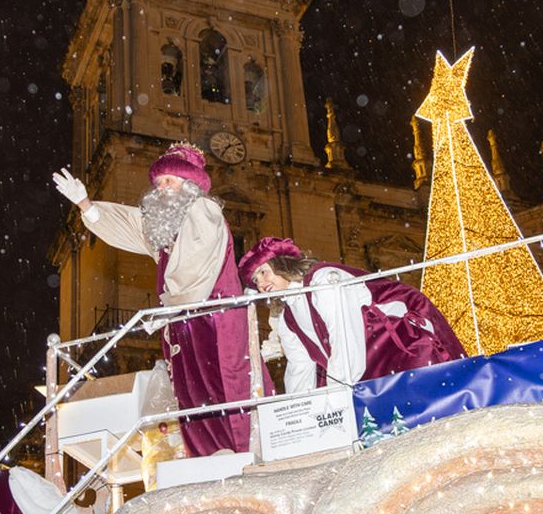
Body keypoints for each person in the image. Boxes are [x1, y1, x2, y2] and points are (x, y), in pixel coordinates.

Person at [52, 145, 268, 456]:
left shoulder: (202, 210)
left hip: (212, 320)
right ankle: (209, 454)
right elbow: (132, 225)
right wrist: (86, 204)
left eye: (170, 180)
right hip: (185, 322)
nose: (162, 188)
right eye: (159, 183)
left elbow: (194, 264)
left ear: (189, 184)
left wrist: (168, 307)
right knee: (191, 393)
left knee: (222, 386)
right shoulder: (165, 225)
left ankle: (239, 449)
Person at [237, 237, 465, 394]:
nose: (261, 283)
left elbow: (344, 340)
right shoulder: (287, 318)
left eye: (264, 272)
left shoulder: (324, 281)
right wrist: (300, 412)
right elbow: (300, 368)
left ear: (281, 264)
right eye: (255, 280)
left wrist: (335, 400)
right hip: (365, 366)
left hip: (398, 346)